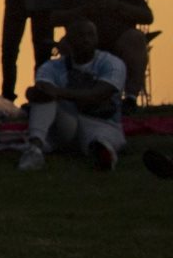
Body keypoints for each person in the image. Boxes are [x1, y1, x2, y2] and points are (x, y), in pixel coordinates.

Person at [18, 17, 127, 172]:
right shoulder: (52, 66)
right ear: (68, 40)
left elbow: (99, 94)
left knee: (100, 142)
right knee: (45, 98)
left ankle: (104, 156)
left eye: (91, 35)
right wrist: (37, 93)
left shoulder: (112, 63)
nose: (86, 40)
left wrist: (58, 92)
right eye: (81, 35)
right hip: (68, 123)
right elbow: (44, 90)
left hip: (103, 123)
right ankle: (34, 150)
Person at [54, 0, 153, 105]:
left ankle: (131, 98)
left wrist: (117, 6)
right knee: (65, 44)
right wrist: (83, 10)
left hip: (118, 43)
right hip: (81, 45)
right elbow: (53, 18)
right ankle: (73, 95)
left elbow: (147, 17)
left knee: (136, 39)